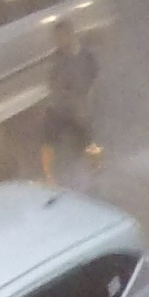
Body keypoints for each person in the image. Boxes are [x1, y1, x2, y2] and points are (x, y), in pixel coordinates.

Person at [37, 16, 102, 180]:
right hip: (59, 107)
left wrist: (83, 102)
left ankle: (95, 172)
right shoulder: (57, 57)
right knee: (47, 141)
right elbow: (52, 81)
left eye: (60, 37)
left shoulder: (86, 57)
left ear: (70, 35)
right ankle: (48, 176)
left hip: (79, 108)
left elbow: (93, 80)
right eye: (56, 38)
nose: (57, 42)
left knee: (86, 143)